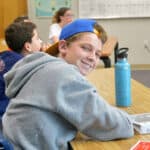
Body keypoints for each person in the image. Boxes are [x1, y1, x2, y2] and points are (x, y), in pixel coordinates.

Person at [2, 19, 134, 150]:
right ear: (63, 46)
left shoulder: (45, 66)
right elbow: (113, 124)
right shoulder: (62, 74)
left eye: (97, 54)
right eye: (86, 48)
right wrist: (130, 121)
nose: (93, 57)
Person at [0, 21, 42, 117]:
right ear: (28, 46)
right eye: (37, 38)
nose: (40, 41)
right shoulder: (24, 66)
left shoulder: (5, 56)